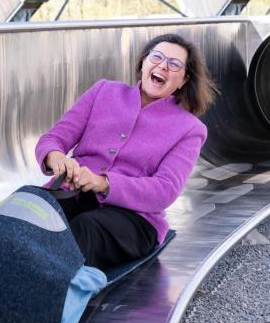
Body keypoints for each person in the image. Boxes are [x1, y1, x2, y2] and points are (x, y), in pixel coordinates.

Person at [34, 34, 217, 269]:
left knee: (87, 228)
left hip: (135, 219)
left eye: (174, 64)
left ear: (183, 80)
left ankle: (35, 297)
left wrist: (104, 183)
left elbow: (165, 190)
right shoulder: (103, 91)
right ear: (143, 63)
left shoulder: (190, 129)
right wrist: (55, 156)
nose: (163, 66)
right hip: (73, 193)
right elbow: (53, 139)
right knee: (33, 208)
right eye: (157, 57)